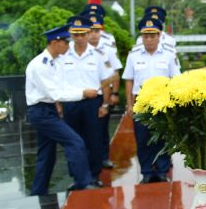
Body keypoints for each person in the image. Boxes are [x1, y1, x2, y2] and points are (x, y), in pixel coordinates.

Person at [26, 24, 100, 195]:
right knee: (75, 142)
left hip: (47, 109)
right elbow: (55, 93)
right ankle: (84, 182)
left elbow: (64, 85)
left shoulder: (54, 62)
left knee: (47, 153)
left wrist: (84, 91)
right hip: (41, 112)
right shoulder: (40, 65)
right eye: (66, 42)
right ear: (55, 42)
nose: (69, 45)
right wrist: (83, 93)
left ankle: (38, 191)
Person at [123, 17, 180, 183]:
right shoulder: (133, 56)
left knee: (163, 137)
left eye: (152, 35)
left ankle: (162, 170)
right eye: (145, 36)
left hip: (162, 102)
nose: (149, 39)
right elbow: (129, 80)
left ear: (159, 35)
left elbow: (175, 78)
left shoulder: (169, 55)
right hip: (141, 103)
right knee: (142, 139)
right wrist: (129, 104)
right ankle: (146, 172)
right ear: (141, 37)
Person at [58, 15, 113, 185]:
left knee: (93, 140)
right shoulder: (62, 55)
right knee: (73, 141)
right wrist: (58, 104)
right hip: (70, 103)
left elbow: (105, 82)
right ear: (70, 35)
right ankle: (77, 177)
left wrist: (105, 104)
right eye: (76, 34)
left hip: (92, 104)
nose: (79, 38)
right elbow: (58, 82)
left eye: (83, 34)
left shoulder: (98, 55)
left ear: (89, 33)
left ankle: (94, 176)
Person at [86, 13, 122, 168]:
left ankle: (103, 157)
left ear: (101, 31)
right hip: (82, 96)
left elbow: (115, 73)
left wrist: (114, 93)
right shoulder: (77, 50)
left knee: (101, 129)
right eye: (91, 30)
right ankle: (88, 160)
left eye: (97, 30)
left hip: (102, 95)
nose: (94, 34)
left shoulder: (107, 50)